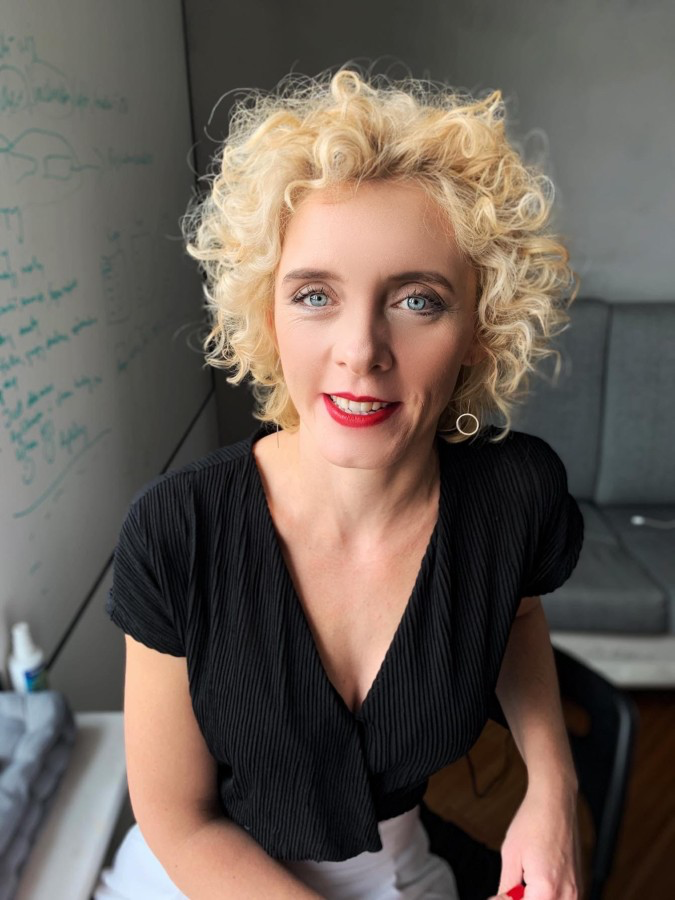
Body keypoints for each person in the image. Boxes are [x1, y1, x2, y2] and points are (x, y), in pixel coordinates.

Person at [97, 66, 584, 899]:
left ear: (479, 326)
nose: (360, 350)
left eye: (417, 301)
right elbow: (178, 819)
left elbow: (516, 616)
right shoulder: (176, 530)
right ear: (267, 311)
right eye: (315, 295)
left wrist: (551, 787)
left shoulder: (515, 496)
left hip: (391, 868)